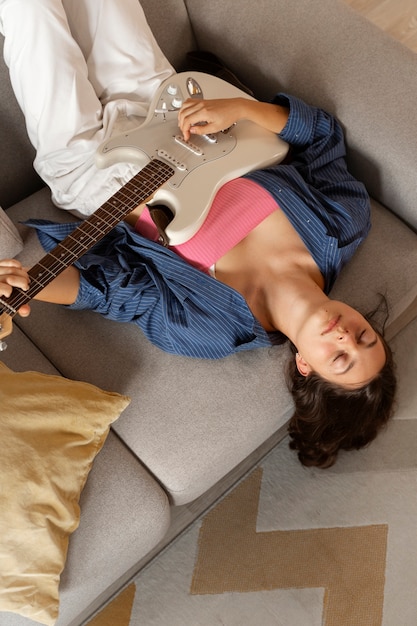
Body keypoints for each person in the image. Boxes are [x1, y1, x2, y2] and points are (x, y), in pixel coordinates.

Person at [0, 0, 396, 468]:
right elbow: (323, 138)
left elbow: (112, 290)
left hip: (95, 170)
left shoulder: (213, 330)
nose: (346, 337)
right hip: (170, 108)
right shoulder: (342, 224)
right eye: (366, 338)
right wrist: (244, 109)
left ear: (305, 366)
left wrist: (26, 284)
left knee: (31, 11)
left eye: (340, 360)